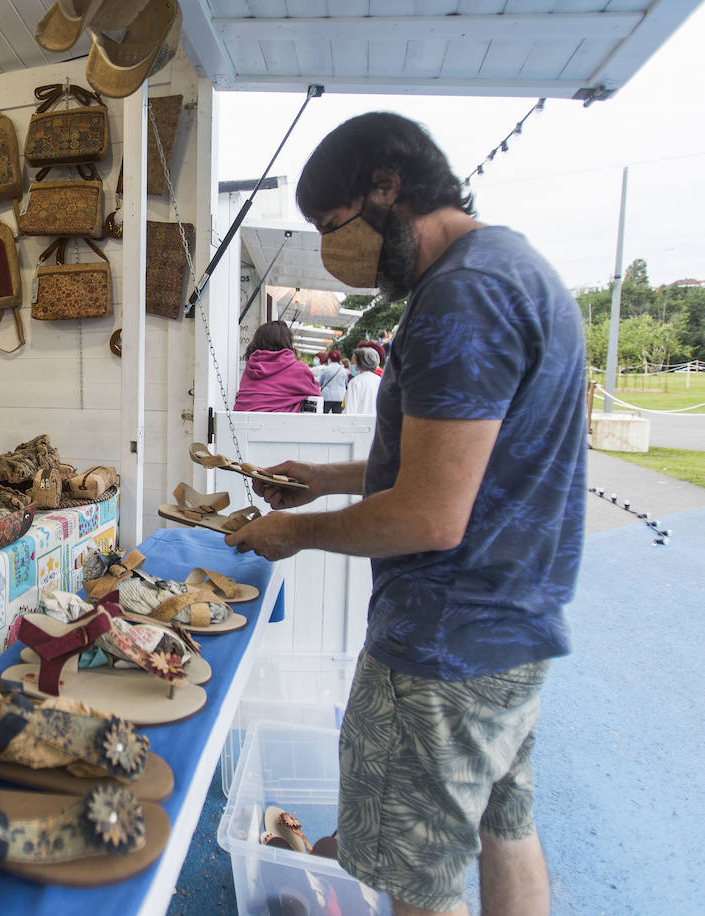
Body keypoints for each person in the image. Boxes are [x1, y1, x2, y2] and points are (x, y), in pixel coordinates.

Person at [227, 112, 586, 916]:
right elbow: (454, 466)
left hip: (441, 646)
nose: (332, 248)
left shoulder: (463, 295)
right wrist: (323, 479)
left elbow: (430, 513)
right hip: (512, 630)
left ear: (386, 189)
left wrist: (296, 533)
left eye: (334, 225)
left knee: (413, 882)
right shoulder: (514, 267)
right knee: (507, 824)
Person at [233, 320, 321, 412]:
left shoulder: (251, 367)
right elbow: (316, 394)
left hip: (238, 424)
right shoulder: (298, 370)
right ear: (288, 342)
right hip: (279, 425)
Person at [342, 344, 382, 414]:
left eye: (353, 361)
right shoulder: (380, 380)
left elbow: (350, 410)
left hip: (358, 422)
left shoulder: (355, 382)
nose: (352, 364)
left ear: (360, 362)